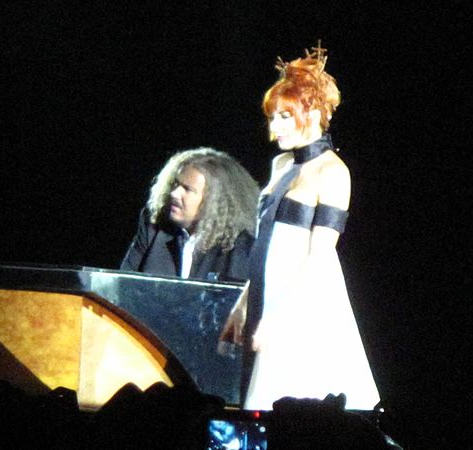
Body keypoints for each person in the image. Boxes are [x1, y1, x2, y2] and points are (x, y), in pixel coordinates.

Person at [219, 42, 381, 410]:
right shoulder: (280, 167)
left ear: (310, 111)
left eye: (284, 117)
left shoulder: (333, 172)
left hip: (301, 300)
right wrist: (244, 302)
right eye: (272, 118)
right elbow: (265, 244)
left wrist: (278, 315)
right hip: (266, 291)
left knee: (292, 399)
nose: (274, 130)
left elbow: (320, 255)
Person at [120, 147, 259, 282]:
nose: (174, 194)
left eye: (187, 189)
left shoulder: (240, 245)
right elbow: (123, 286)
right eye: (175, 184)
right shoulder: (153, 225)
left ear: (215, 201)